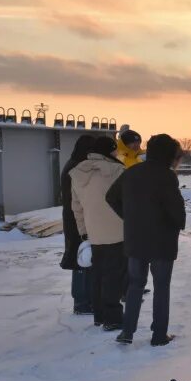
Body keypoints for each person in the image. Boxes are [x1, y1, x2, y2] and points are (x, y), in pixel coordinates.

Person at [107, 135, 185, 347]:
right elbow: (176, 209)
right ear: (168, 154)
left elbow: (110, 197)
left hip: (136, 239)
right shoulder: (167, 177)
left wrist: (130, 218)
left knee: (135, 285)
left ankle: (127, 331)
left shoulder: (131, 173)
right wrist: (177, 222)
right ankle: (159, 335)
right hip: (162, 241)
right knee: (161, 287)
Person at [70, 136, 126, 329]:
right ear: (108, 151)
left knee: (97, 275)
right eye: (114, 150)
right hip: (118, 230)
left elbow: (76, 207)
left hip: (94, 232)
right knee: (114, 277)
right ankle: (113, 319)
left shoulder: (77, 173)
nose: (116, 153)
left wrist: (84, 232)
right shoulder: (118, 170)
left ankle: (100, 316)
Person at [60, 135, 98, 315]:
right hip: (78, 219)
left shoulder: (73, 163)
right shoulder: (78, 167)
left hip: (74, 217)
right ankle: (82, 302)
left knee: (83, 258)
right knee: (82, 259)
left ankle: (85, 300)